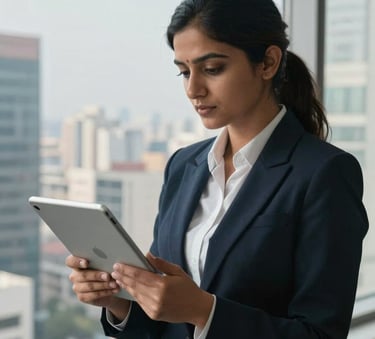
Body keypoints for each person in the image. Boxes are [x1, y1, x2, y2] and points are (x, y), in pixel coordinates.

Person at [66, 0, 369, 338]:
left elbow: (321, 333)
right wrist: (121, 303)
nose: (193, 89)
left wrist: (204, 311)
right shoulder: (183, 166)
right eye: (184, 71)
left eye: (211, 68)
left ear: (268, 62)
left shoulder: (324, 174)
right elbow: (167, 322)